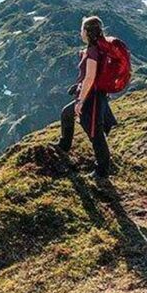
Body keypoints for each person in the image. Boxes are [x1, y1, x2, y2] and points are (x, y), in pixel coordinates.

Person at [56, 16, 117, 178]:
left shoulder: (92, 51)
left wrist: (80, 101)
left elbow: (90, 77)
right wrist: (78, 87)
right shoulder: (99, 48)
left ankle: (102, 170)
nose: (80, 32)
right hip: (95, 93)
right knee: (66, 114)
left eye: (82, 29)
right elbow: (92, 76)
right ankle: (64, 146)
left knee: (94, 132)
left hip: (92, 97)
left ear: (88, 32)